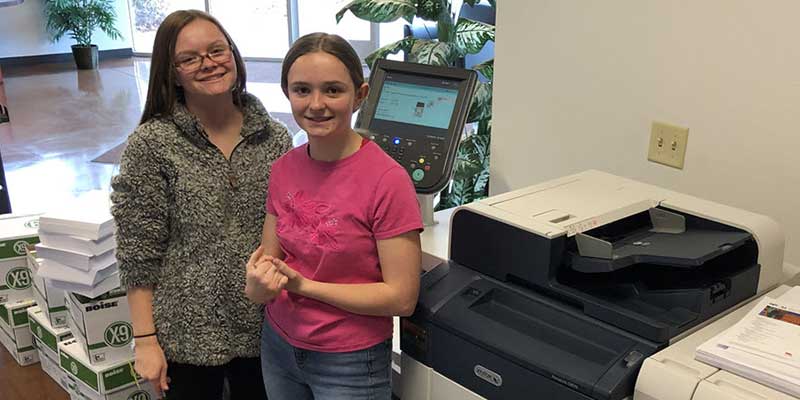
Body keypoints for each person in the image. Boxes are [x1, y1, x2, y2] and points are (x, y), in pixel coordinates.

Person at [110, 10, 291, 399]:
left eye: (217, 50)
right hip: (186, 335)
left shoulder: (274, 139)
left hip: (265, 327)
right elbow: (138, 252)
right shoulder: (152, 144)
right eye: (190, 58)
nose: (209, 64)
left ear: (233, 54)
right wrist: (145, 341)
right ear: (172, 72)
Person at [244, 32, 423, 400]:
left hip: (350, 360)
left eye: (332, 90)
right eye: (302, 90)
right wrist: (257, 286)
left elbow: (401, 297)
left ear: (360, 94)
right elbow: (269, 260)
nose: (316, 104)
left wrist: (304, 286)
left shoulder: (387, 181)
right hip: (278, 345)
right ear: (287, 93)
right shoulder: (283, 169)